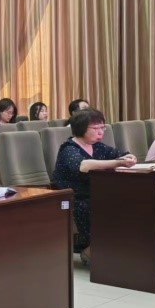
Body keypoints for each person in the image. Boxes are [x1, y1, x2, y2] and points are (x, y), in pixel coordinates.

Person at [52, 109, 137, 265]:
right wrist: (117, 162)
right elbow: (83, 166)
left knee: (129, 204)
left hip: (96, 194)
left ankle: (128, 254)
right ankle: (91, 251)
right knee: (100, 208)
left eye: (103, 127)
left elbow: (120, 154)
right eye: (96, 128)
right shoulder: (69, 148)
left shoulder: (98, 146)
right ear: (81, 128)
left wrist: (129, 157)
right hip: (74, 199)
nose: (100, 132)